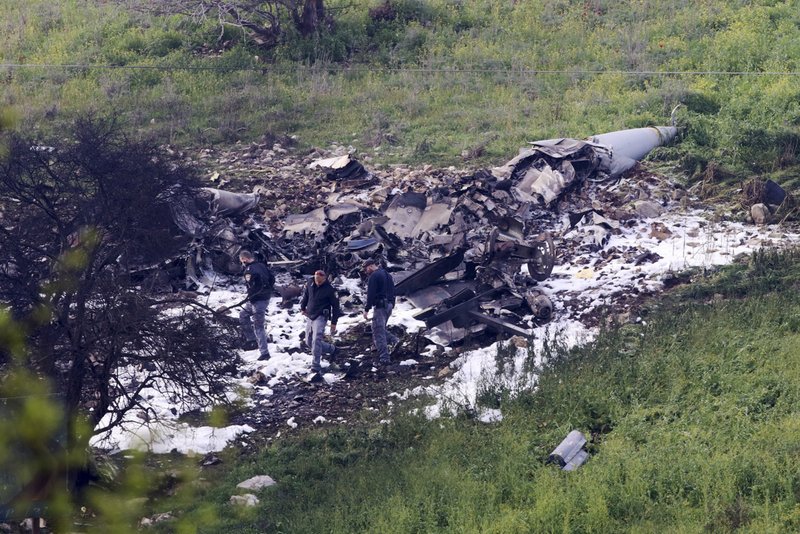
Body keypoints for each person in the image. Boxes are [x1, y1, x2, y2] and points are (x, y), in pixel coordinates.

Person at [300, 270, 341, 374]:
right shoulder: (310, 283)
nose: (317, 282)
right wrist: (302, 307)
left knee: (316, 340)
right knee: (308, 342)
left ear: (324, 279)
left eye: (320, 281)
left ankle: (315, 366)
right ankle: (332, 349)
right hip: (310, 315)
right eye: (316, 280)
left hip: (321, 316)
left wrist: (333, 323)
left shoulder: (330, 290)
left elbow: (336, 307)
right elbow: (306, 295)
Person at [238, 250, 275, 361]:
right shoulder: (262, 265)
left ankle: (264, 353)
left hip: (257, 300)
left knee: (258, 325)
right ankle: (252, 339)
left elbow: (252, 286)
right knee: (243, 314)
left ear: (244, 259)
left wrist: (253, 297)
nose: (242, 263)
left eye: (241, 261)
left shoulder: (249, 271)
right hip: (264, 297)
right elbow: (272, 279)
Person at [362, 259, 399, 365]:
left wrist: (366, 309)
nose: (365, 272)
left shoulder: (374, 276)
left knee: (378, 332)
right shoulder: (387, 274)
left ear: (370, 267)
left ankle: (384, 358)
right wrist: (392, 304)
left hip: (380, 306)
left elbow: (371, 294)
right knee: (379, 328)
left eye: (365, 269)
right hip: (389, 305)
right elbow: (394, 290)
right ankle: (394, 340)